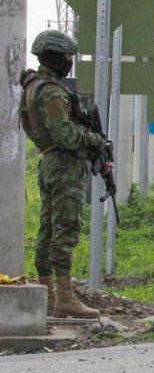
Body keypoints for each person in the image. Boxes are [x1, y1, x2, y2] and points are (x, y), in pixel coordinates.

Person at [19, 29, 105, 319]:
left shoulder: (33, 86)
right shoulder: (52, 91)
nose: (70, 62)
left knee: (48, 228)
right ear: (55, 56)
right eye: (67, 56)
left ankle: (48, 295)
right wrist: (94, 140)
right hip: (64, 166)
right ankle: (64, 297)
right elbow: (66, 135)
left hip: (49, 161)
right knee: (65, 229)